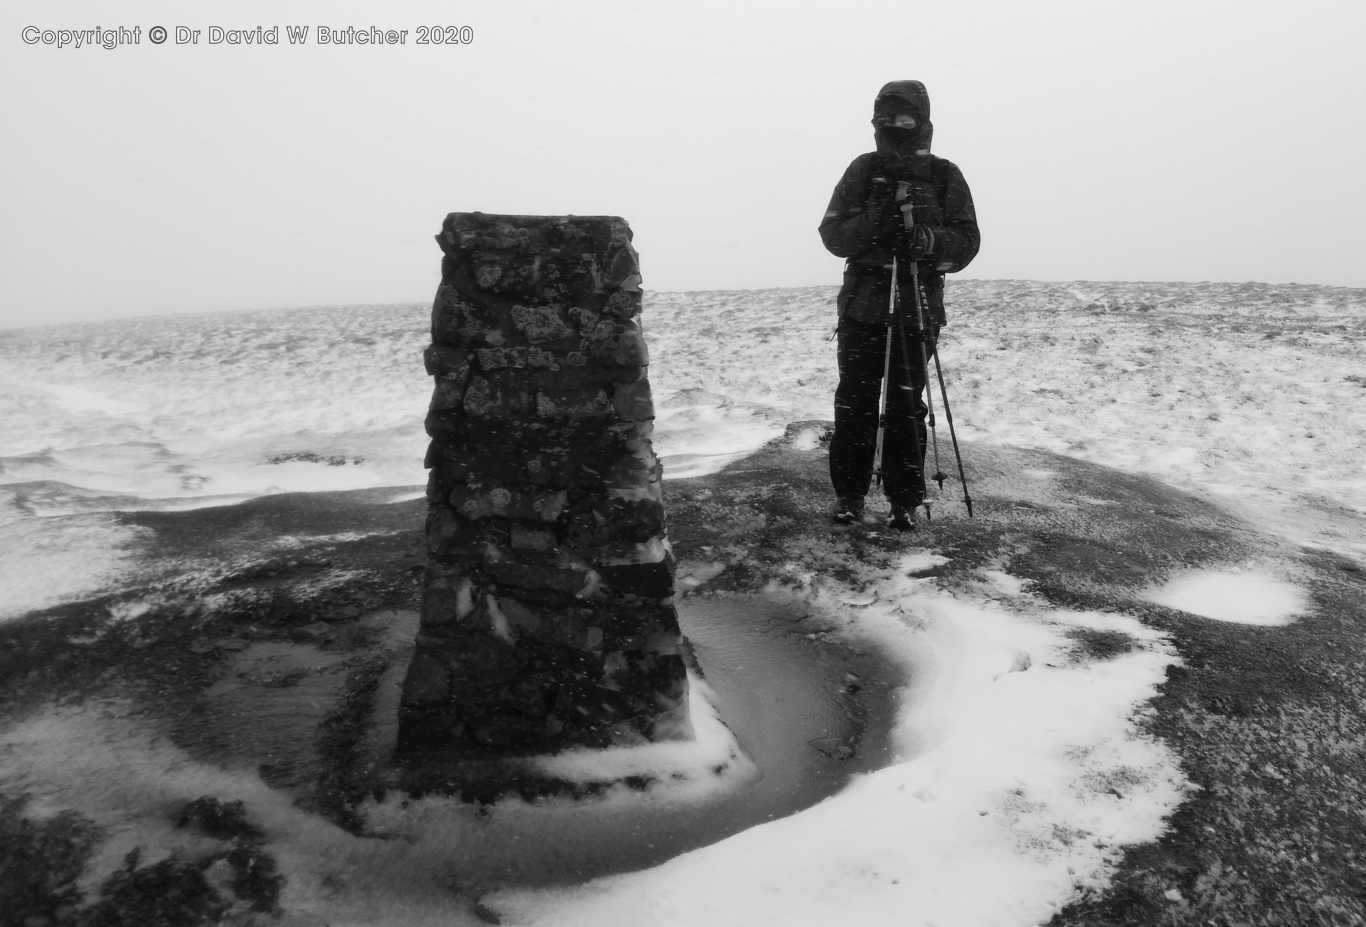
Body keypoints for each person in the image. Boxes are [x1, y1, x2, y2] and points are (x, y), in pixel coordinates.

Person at [818, 80, 980, 530]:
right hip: (861, 310)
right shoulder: (863, 170)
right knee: (855, 403)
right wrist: (877, 221)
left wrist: (926, 240)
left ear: (923, 119)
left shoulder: (945, 175)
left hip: (917, 308)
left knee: (906, 406)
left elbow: (967, 243)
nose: (897, 124)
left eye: (906, 116)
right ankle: (849, 495)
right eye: (888, 116)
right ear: (876, 120)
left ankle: (903, 500)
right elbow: (833, 236)